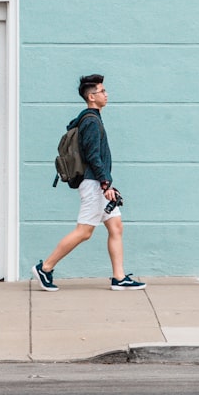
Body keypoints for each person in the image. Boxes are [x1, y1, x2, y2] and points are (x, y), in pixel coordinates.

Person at [32, 74, 146, 292]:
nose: (106, 94)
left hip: (98, 183)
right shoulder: (91, 121)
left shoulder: (92, 119)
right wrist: (105, 184)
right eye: (102, 91)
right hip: (94, 185)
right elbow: (93, 156)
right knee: (84, 232)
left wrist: (106, 183)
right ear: (92, 97)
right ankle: (45, 268)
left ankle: (119, 277)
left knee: (116, 227)